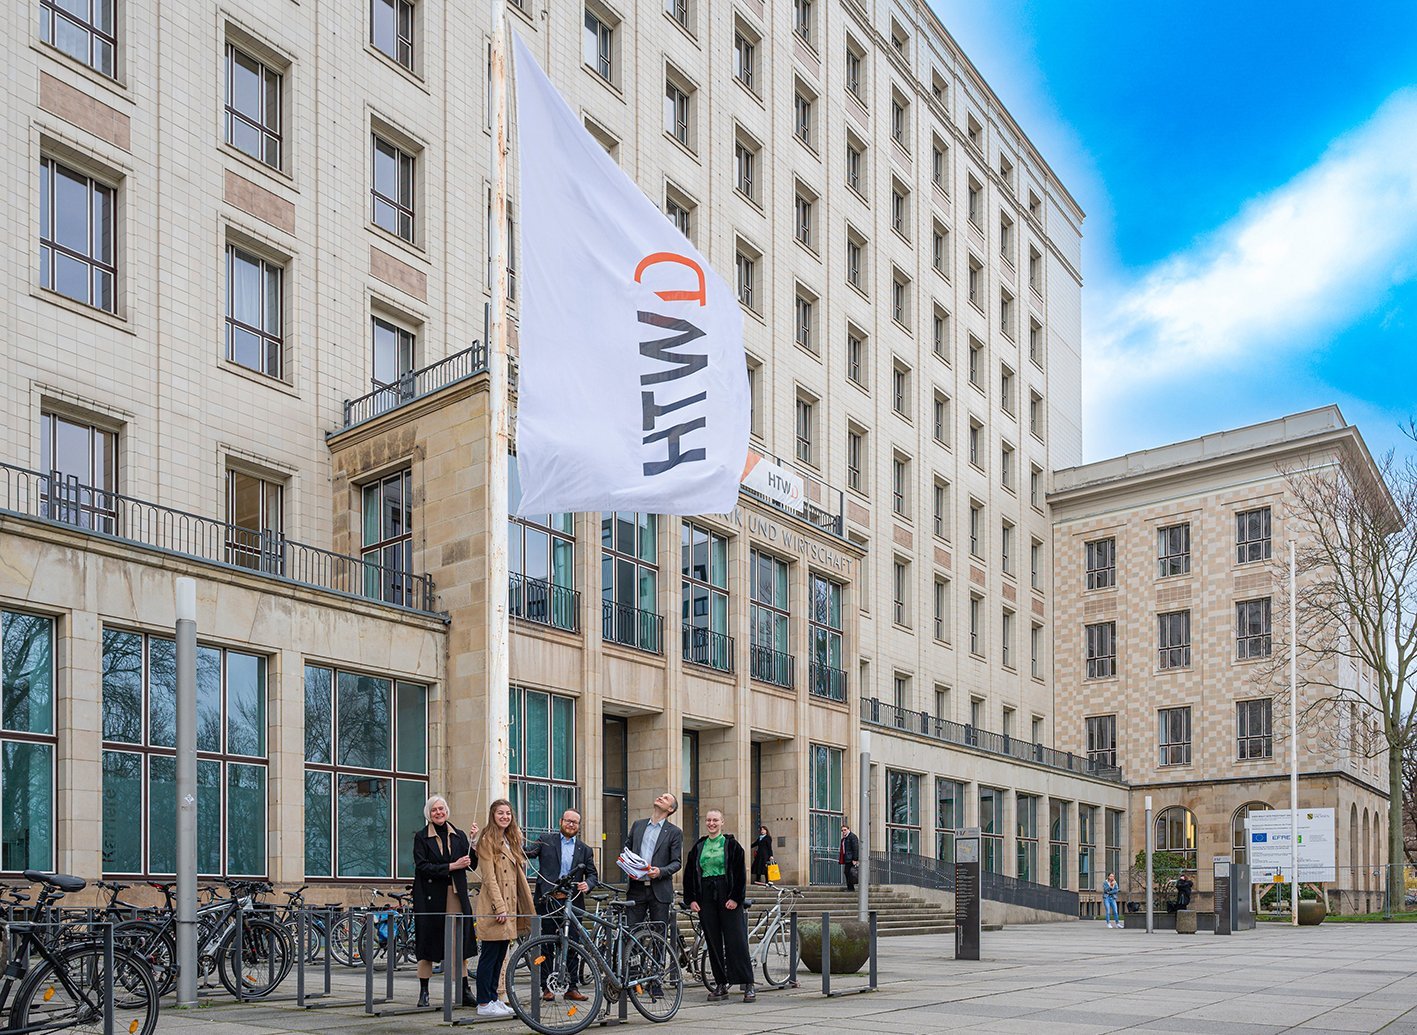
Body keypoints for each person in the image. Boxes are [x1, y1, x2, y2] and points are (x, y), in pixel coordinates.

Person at [412, 796, 479, 1008]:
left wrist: (473, 841)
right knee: (428, 941)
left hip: (456, 895)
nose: (439, 812)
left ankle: (464, 989)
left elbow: (471, 865)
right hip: (430, 897)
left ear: (447, 811)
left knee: (459, 941)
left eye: (441, 809)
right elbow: (422, 866)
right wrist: (452, 866)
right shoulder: (421, 837)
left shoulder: (459, 835)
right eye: (434, 810)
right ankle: (424, 991)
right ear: (428, 814)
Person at [684, 809, 755, 1003]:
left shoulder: (732, 845)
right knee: (713, 941)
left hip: (727, 893)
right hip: (705, 895)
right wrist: (691, 899)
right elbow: (689, 874)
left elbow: (740, 875)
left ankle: (747, 983)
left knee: (736, 939)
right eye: (708, 820)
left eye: (715, 820)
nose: (711, 823)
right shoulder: (698, 846)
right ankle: (721, 984)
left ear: (722, 822)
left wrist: (735, 898)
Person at [473, 798, 534, 1019]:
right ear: (493, 815)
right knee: (489, 956)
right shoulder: (488, 839)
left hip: (509, 906)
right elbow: (489, 879)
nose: (505, 817)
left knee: (500, 955)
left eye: (508, 813)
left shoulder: (509, 839)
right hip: (495, 907)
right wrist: (499, 908)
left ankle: (493, 998)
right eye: (500, 813)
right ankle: (483, 1001)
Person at [533, 809, 598, 1003]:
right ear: (561, 821)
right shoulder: (545, 840)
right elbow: (528, 852)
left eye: (575, 822)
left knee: (573, 945)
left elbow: (593, 874)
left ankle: (571, 987)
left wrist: (589, 884)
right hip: (549, 901)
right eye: (568, 821)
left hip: (573, 902)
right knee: (546, 945)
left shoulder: (585, 849)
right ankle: (547, 987)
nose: (571, 825)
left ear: (579, 826)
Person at [624, 791, 683, 935]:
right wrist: (627, 865)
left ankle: (658, 959)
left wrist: (660, 871)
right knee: (631, 932)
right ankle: (631, 958)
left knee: (659, 935)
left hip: (660, 891)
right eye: (661, 796)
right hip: (636, 888)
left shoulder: (674, 832)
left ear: (671, 809)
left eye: (666, 798)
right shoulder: (638, 825)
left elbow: (676, 862)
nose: (661, 797)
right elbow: (627, 850)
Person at [839, 823, 860, 892]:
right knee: (847, 872)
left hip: (851, 859)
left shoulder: (852, 837)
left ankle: (850, 888)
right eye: (842, 830)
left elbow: (855, 848)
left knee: (848, 872)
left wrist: (855, 859)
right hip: (847, 858)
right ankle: (850, 887)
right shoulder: (845, 838)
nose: (843, 832)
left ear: (848, 830)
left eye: (845, 830)